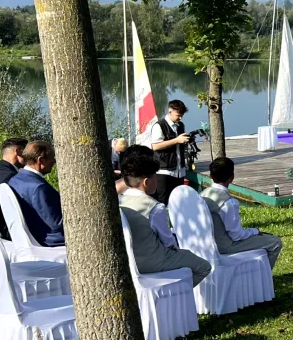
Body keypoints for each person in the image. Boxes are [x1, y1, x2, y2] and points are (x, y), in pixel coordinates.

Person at [117, 145, 211, 287]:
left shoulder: (118, 202)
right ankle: (175, 295)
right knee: (203, 266)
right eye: (156, 174)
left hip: (129, 261)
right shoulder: (155, 208)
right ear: (146, 182)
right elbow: (168, 243)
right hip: (154, 261)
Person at [202, 157, 283, 268]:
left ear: (210, 176)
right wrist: (254, 231)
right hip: (224, 246)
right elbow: (236, 235)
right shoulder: (229, 202)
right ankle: (263, 279)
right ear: (232, 178)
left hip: (205, 243)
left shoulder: (201, 194)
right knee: (275, 242)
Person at [7, 140, 64, 247]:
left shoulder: (15, 180)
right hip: (51, 239)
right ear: (41, 160)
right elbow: (57, 224)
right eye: (52, 157)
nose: (54, 161)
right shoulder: (39, 187)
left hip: (33, 233)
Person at [147, 99, 192, 205]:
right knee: (162, 201)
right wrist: (176, 140)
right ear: (170, 111)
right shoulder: (159, 126)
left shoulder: (181, 125)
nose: (180, 117)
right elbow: (155, 146)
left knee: (178, 202)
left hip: (179, 171)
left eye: (182, 115)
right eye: (178, 115)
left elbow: (179, 144)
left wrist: (187, 140)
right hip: (164, 171)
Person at [0, 136, 27, 239]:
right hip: (10, 231)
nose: (30, 156)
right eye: (27, 153)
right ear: (18, 151)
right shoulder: (9, 177)